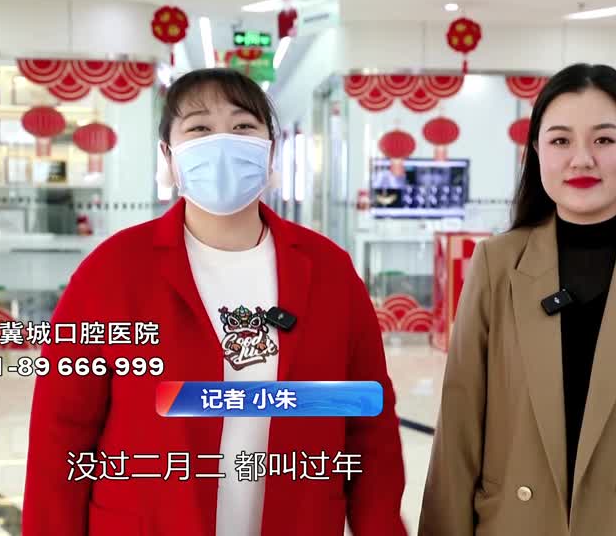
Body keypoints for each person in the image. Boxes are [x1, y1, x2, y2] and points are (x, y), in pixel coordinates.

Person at [23, 68, 407, 536]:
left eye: (243, 126)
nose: (223, 142)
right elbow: (61, 433)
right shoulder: (112, 271)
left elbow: (369, 426)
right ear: (168, 156)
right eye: (200, 128)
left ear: (270, 152)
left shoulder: (329, 271)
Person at [419, 63, 616, 536]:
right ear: (536, 152)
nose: (582, 159)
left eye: (604, 139)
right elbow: (459, 429)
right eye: (561, 140)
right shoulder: (497, 264)